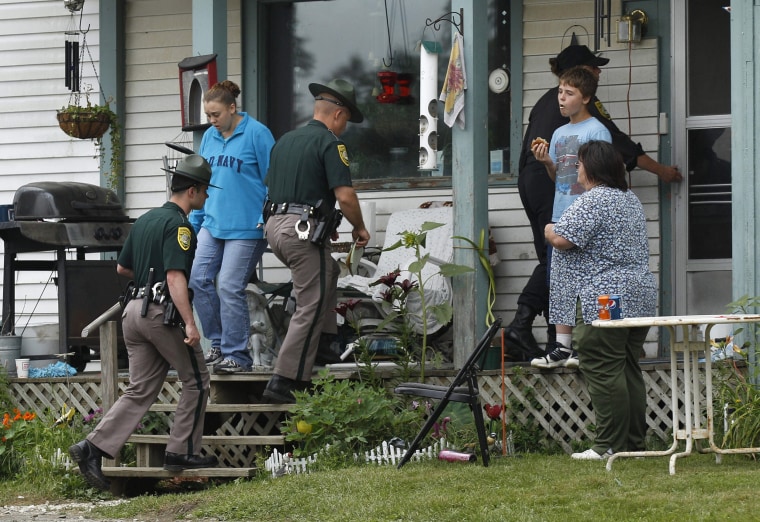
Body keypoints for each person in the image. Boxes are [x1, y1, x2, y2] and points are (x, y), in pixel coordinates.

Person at [504, 44, 681, 364]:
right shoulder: (578, 113)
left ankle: (547, 334)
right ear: (581, 78)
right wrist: (663, 171)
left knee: (559, 260)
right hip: (560, 190)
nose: (598, 72)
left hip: (532, 183)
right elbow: (618, 149)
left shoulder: (548, 103)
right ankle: (549, 336)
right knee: (562, 260)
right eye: (593, 67)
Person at [69, 155, 219, 491]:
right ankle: (182, 452)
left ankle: (91, 447)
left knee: (140, 389)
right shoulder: (180, 226)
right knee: (196, 379)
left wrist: (148, 280)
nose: (207, 198)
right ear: (192, 191)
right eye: (205, 191)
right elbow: (175, 276)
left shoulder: (146, 220)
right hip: (159, 314)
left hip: (131, 313)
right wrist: (190, 323)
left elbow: (122, 269)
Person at [544, 140, 656, 459]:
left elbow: (564, 239)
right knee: (627, 367)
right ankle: (633, 443)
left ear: (591, 167)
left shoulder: (594, 199)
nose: (577, 170)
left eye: (579, 164)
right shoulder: (629, 198)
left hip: (606, 297)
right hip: (640, 296)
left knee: (603, 366)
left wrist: (549, 229)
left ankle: (608, 445)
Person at [262, 78, 370, 403]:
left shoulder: (285, 141)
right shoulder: (331, 143)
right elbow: (346, 196)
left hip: (274, 226)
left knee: (329, 272)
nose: (345, 128)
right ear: (338, 115)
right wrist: (359, 228)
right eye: (346, 121)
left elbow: (290, 188)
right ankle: (285, 380)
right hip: (299, 230)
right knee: (311, 300)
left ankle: (322, 346)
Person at [188, 80, 275, 374]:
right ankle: (219, 343)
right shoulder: (210, 139)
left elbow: (273, 180)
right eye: (208, 116)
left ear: (232, 108)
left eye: (216, 115)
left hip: (248, 227)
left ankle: (237, 355)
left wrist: (268, 216)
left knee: (228, 285)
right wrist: (193, 222)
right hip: (212, 224)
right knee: (198, 278)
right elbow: (202, 184)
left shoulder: (257, 134)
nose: (212, 121)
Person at [530, 66, 611, 369]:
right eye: (560, 92)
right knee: (561, 282)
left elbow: (600, 176)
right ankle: (563, 347)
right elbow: (561, 179)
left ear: (586, 97)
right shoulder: (558, 133)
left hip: (588, 216)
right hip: (561, 215)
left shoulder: (596, 131)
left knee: (592, 282)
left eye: (569, 93)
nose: (561, 99)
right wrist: (548, 162)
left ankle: (593, 344)